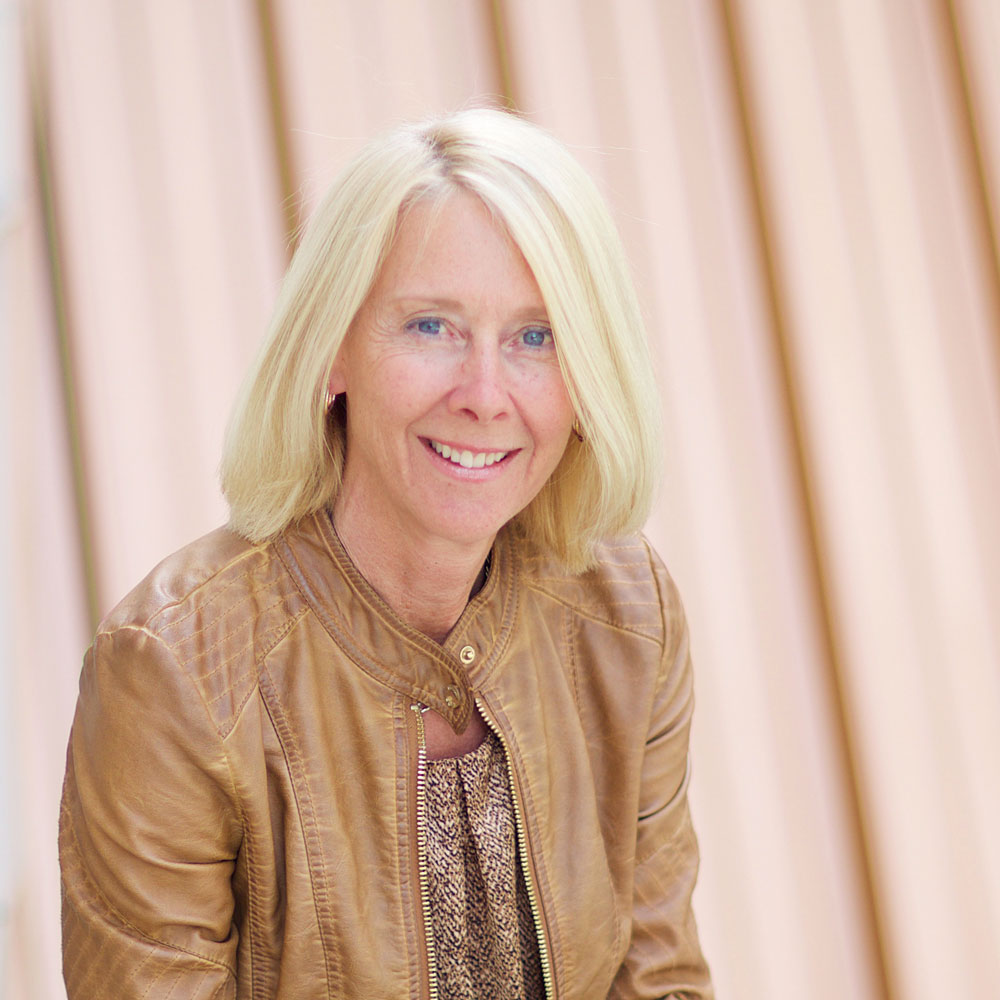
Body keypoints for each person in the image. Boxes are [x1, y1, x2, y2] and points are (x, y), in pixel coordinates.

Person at [59, 107, 714, 999]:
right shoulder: (172, 671)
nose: (485, 394)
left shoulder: (629, 616)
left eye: (536, 337)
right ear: (332, 350)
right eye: (431, 327)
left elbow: (660, 979)